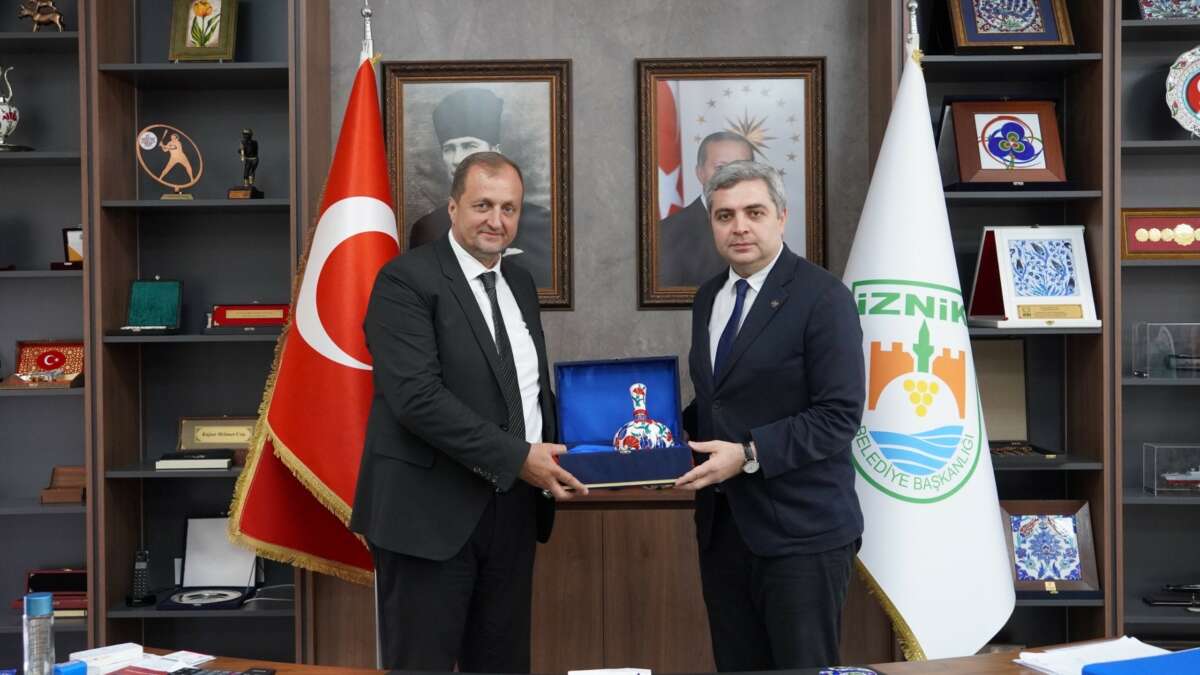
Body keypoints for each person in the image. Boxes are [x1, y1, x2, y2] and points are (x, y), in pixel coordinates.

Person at [350, 151, 587, 672]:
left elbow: (525, 389)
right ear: (453, 207)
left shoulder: (519, 282)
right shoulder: (404, 281)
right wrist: (519, 457)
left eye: (509, 208)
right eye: (483, 205)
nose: (496, 220)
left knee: (503, 663)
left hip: (513, 509)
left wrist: (595, 448)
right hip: (428, 515)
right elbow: (417, 399)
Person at [674, 160, 865, 670]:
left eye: (753, 212)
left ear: (781, 217)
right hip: (724, 531)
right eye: (725, 216)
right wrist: (652, 437)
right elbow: (717, 402)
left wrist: (749, 454)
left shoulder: (824, 297)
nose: (739, 227)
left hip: (802, 534)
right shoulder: (709, 297)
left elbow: (839, 415)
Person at [408, 88, 553, 288]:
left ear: (495, 152)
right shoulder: (426, 229)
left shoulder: (544, 226)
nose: (457, 159)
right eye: (449, 149)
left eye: (469, 146)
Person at [657, 131, 755, 288]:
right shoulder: (666, 234)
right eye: (720, 167)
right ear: (700, 173)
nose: (732, 176)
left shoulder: (766, 224)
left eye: (742, 167)